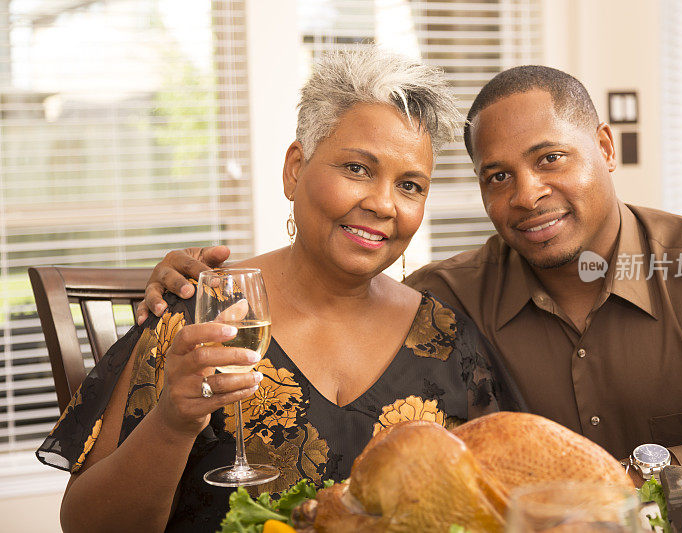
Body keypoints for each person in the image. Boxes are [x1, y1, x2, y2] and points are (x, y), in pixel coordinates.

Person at [143, 65, 682, 483]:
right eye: (498, 176)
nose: (528, 192)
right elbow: (336, 282)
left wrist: (637, 477)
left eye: (550, 159)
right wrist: (200, 280)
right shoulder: (444, 301)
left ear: (604, 148)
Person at [36, 49, 515, 533]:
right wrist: (172, 423)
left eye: (410, 185)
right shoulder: (202, 315)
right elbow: (86, 525)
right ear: (294, 169)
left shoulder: (445, 337)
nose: (383, 204)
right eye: (357, 169)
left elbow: (491, 510)